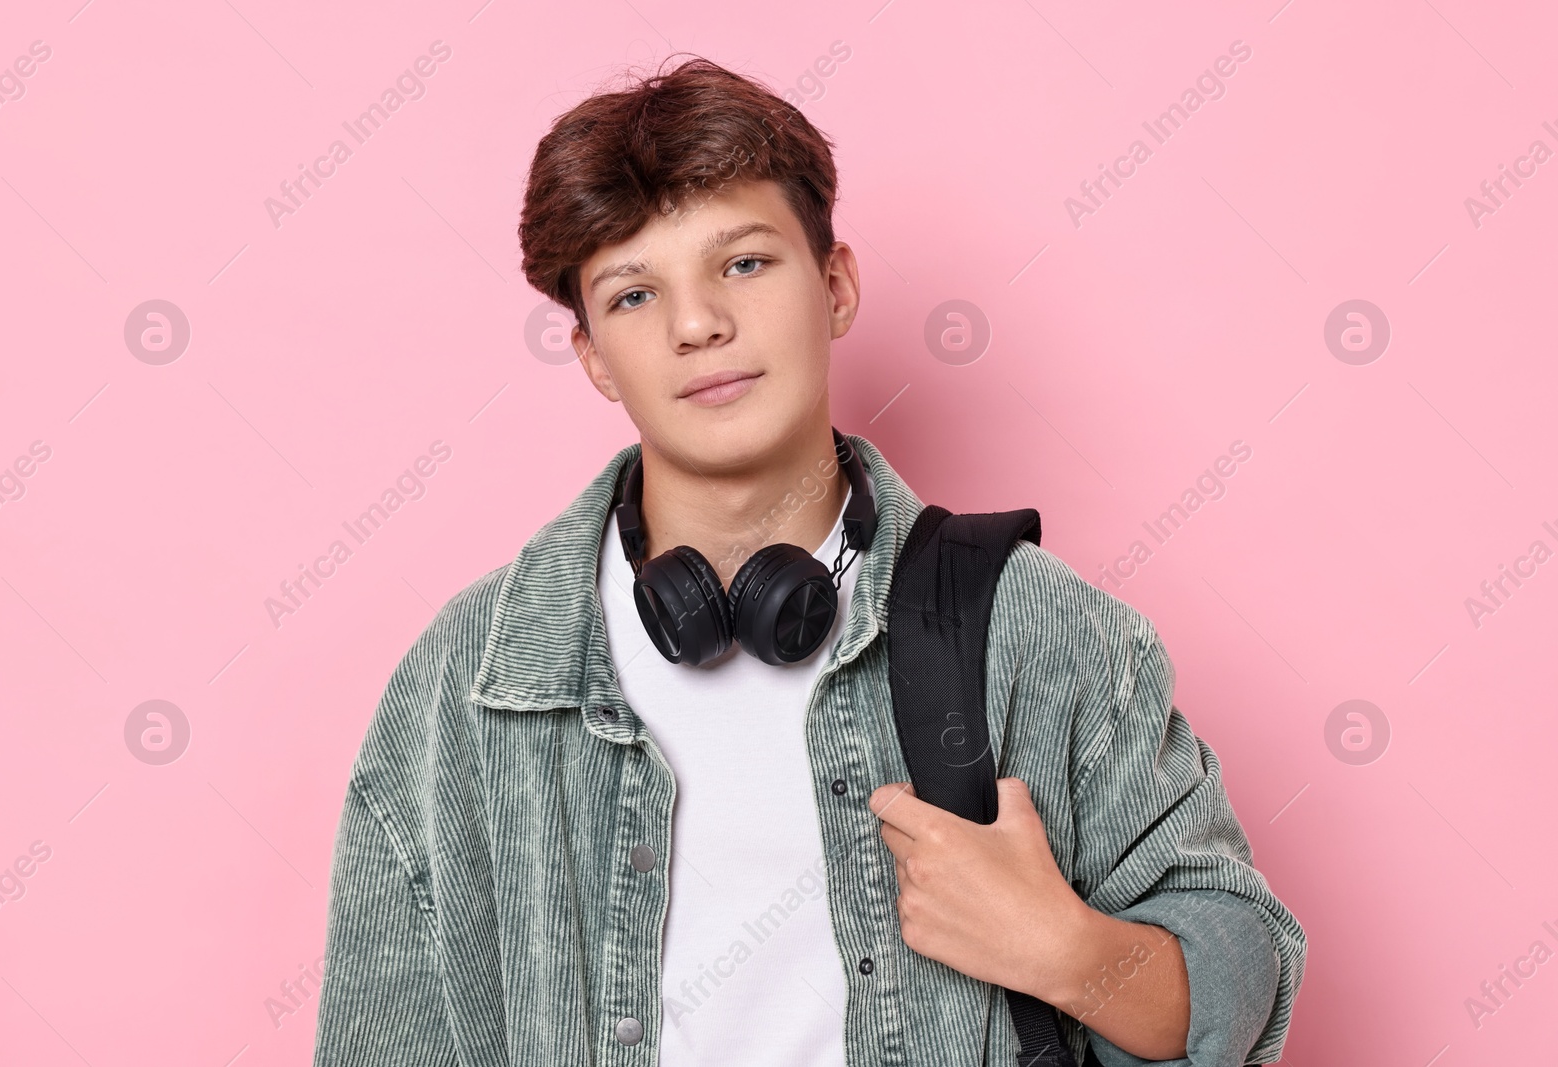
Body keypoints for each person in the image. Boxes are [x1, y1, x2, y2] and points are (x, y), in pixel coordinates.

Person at [312, 54, 1305, 1067]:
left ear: (834, 286)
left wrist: (1065, 951)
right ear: (593, 357)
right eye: (633, 295)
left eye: (743, 262)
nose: (698, 323)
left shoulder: (1039, 629)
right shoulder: (474, 681)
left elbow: (1241, 971)